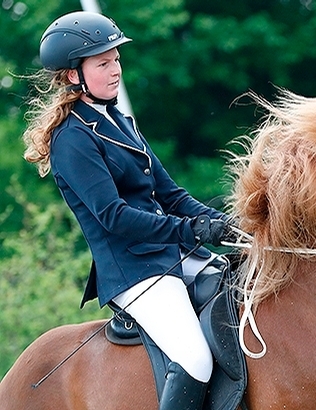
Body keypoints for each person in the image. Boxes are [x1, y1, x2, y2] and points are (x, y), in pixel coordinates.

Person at [22, 11, 229, 410]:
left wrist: (220, 222)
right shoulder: (72, 140)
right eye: (103, 63)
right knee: (196, 358)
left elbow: (171, 193)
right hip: (135, 271)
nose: (116, 69)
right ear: (72, 76)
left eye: (116, 59)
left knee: (242, 294)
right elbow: (114, 216)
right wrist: (190, 231)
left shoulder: (119, 120)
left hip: (171, 254)